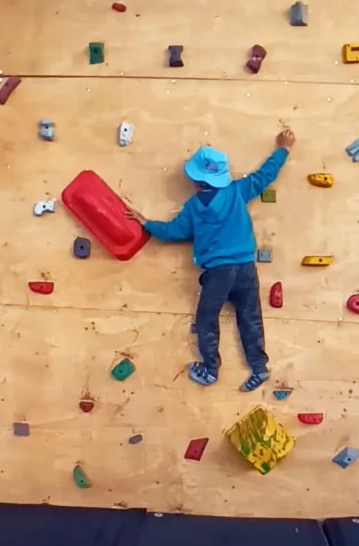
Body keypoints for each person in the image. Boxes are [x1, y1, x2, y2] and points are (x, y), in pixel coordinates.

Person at [125, 128, 296, 391]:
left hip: (219, 273)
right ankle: (259, 368)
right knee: (250, 318)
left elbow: (174, 231)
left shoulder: (194, 208)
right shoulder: (237, 191)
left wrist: (146, 223)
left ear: (197, 181)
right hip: (246, 269)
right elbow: (265, 176)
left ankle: (210, 369)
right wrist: (283, 149)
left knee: (207, 318)